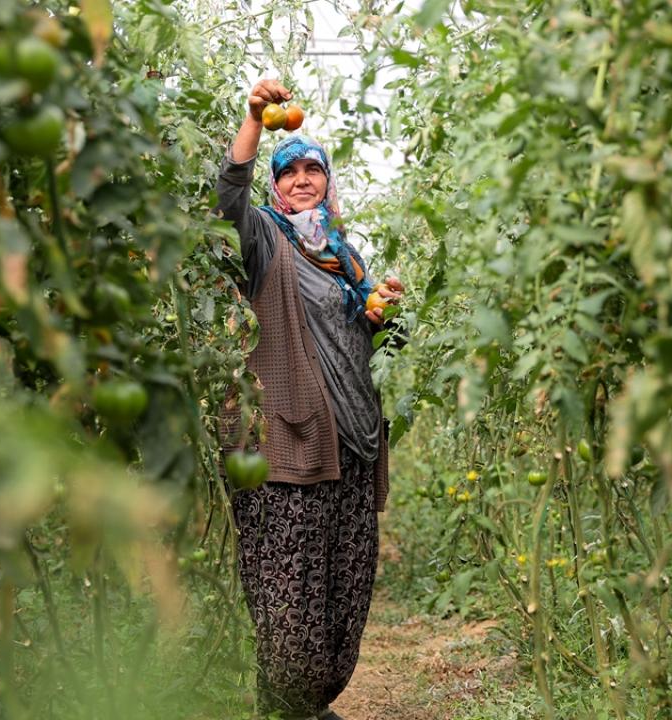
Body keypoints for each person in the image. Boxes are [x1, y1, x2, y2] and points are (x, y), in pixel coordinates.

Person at [213, 78, 405, 720]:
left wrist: (385, 312)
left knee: (341, 599)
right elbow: (226, 200)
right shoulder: (268, 238)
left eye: (312, 170)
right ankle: (290, 707)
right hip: (289, 446)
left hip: (351, 449)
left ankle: (303, 707)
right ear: (275, 186)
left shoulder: (346, 258)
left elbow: (372, 343)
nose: (301, 179)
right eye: (288, 171)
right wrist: (252, 120)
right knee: (288, 600)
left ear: (327, 183)